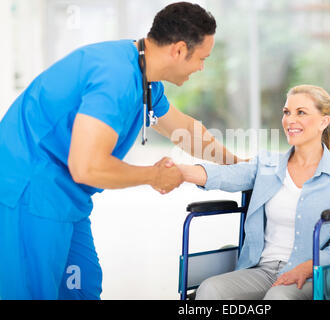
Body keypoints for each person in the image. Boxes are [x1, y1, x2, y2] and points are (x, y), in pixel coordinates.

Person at [0, 2, 243, 300]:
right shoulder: (114, 78)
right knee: (34, 292)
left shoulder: (143, 77)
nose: (202, 67)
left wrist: (240, 166)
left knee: (83, 289)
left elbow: (186, 132)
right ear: (179, 50)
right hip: (30, 191)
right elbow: (86, 166)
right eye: (202, 58)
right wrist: (153, 176)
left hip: (67, 197)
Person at [177, 85, 330, 300]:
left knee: (278, 297)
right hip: (262, 270)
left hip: (314, 275)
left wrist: (306, 268)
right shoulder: (267, 164)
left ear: (324, 121)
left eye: (300, 112)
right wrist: (180, 172)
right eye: (286, 112)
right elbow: (227, 175)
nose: (290, 120)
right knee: (210, 289)